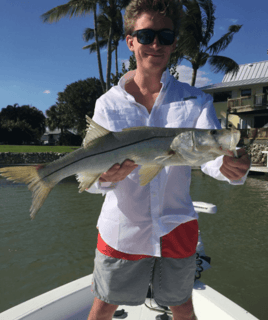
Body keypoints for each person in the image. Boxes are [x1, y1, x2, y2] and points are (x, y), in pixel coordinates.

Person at [86, 1, 251, 319]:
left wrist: (228, 166)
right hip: (123, 227)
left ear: (175, 42)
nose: (156, 44)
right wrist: (105, 178)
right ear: (130, 40)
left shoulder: (196, 100)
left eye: (165, 35)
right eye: (146, 35)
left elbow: (207, 153)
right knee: (103, 303)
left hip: (177, 226)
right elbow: (91, 176)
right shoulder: (107, 105)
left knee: (182, 304)